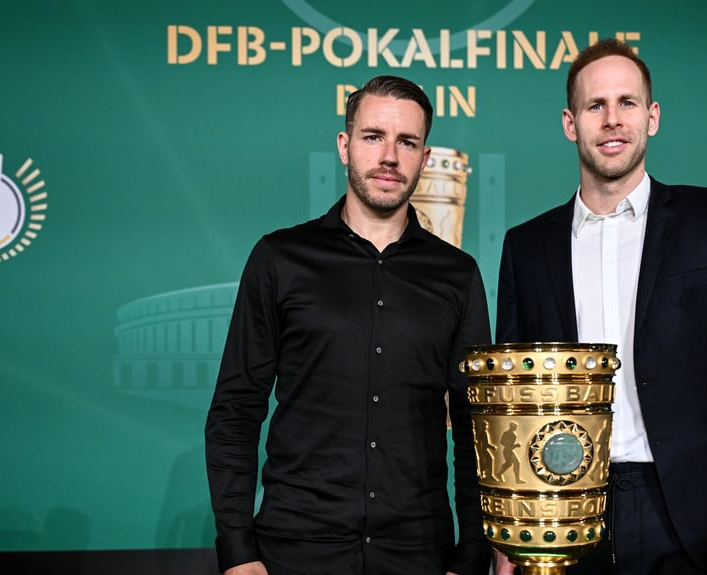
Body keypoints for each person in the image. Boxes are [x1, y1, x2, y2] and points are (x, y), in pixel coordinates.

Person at [494, 38, 707, 575]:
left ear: (651, 116)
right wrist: (513, 527)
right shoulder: (526, 246)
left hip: (693, 512)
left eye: (626, 103)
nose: (612, 119)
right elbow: (515, 403)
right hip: (562, 513)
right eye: (595, 105)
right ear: (570, 123)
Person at [205, 75, 492, 575]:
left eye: (407, 142)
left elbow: (475, 427)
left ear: (425, 158)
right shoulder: (280, 258)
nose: (389, 156)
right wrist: (237, 551)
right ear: (344, 146)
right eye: (373, 136)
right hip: (295, 550)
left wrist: (470, 555)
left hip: (417, 553)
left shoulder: (457, 274)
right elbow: (236, 409)